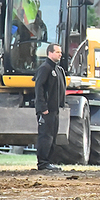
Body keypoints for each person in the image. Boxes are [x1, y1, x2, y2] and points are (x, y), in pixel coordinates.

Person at [33, 43, 66, 171]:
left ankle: (49, 162)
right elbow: (39, 88)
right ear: (50, 53)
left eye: (61, 52)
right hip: (46, 110)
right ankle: (42, 163)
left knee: (52, 136)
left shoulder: (57, 69)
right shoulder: (45, 68)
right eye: (57, 52)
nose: (60, 54)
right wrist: (42, 107)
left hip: (54, 110)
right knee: (45, 136)